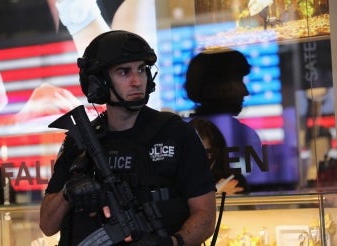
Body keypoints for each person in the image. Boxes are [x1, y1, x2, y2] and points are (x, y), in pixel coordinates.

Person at [39, 30, 216, 246]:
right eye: (124, 72)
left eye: (142, 70)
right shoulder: (79, 142)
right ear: (99, 82)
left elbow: (206, 216)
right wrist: (68, 193)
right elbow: (47, 225)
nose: (137, 81)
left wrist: (172, 243)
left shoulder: (176, 134)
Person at [185, 49, 267, 188]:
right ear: (216, 85)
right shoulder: (245, 135)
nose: (245, 91)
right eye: (239, 81)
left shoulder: (180, 132)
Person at [189, 117, 249, 195]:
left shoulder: (233, 182)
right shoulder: (175, 183)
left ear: (218, 155)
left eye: (207, 153)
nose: (200, 160)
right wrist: (215, 193)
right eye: (194, 153)